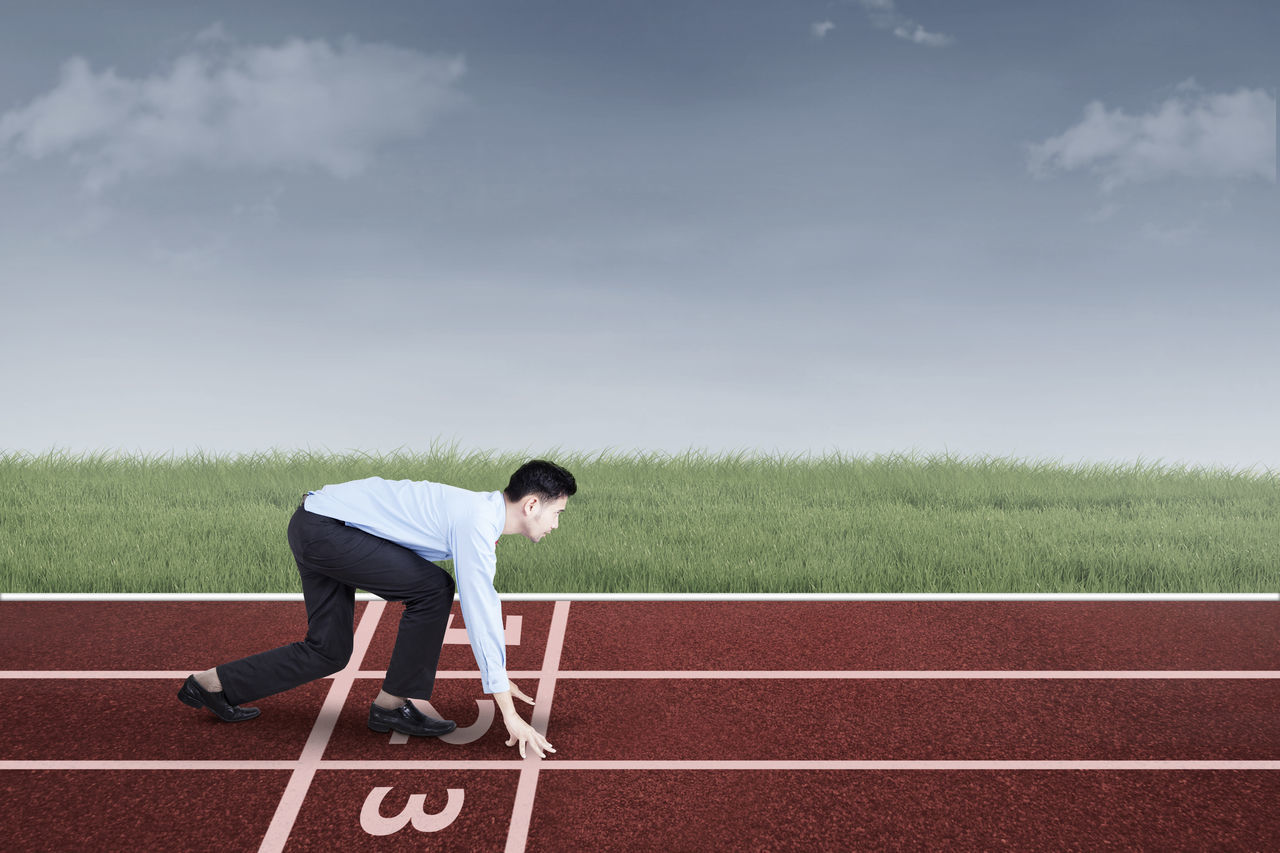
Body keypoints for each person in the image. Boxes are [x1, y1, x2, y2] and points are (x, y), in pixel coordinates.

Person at [177, 458, 575, 759]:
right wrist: (503, 700)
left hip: (318, 523)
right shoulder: (475, 522)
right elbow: (481, 609)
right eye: (557, 513)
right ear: (532, 504)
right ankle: (392, 705)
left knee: (328, 650)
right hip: (327, 529)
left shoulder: (477, 515)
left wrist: (500, 677)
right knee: (435, 589)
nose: (557, 524)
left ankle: (212, 684)